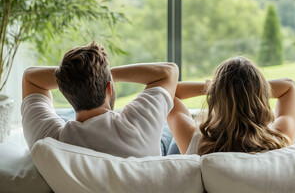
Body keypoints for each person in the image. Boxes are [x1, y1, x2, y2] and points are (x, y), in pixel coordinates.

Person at [21, 41, 179, 158]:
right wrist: (103, 75)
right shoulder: (138, 124)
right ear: (109, 88)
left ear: (65, 92)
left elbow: (31, 78)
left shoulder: (52, 140)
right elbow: (169, 71)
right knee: (167, 129)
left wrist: (73, 80)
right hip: (147, 151)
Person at [167, 56, 295, 155]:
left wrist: (215, 87)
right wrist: (254, 89)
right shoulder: (279, 139)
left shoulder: (195, 143)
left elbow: (168, 91)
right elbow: (289, 86)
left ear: (216, 96)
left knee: (171, 139)